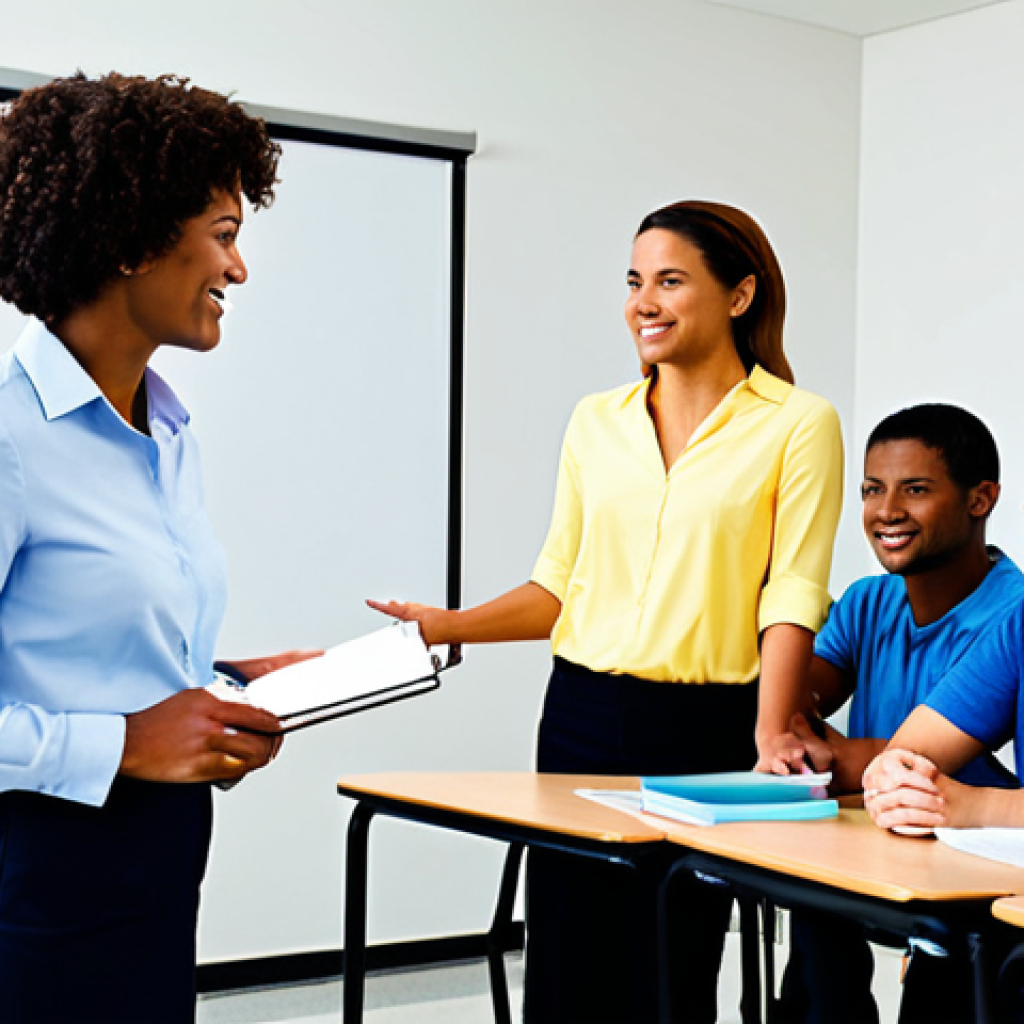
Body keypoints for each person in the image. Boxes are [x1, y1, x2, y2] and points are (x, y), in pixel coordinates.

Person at [368, 200, 843, 1023]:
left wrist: (771, 731)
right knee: (564, 962)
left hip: (708, 728)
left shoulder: (799, 425)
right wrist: (444, 625)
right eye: (633, 282)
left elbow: (792, 593)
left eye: (669, 281)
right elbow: (558, 588)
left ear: (739, 295)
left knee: (671, 967)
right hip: (581, 715)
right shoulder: (597, 422)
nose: (642, 302)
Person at [0, 73, 312, 1023]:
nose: (239, 268)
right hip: (35, 879)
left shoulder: (166, 430)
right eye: (224, 234)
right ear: (134, 241)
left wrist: (221, 684)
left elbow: (78, 647)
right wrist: (125, 742)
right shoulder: (11, 436)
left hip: (156, 859)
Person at [766, 403, 1024, 1024]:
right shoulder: (867, 602)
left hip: (971, 873)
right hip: (877, 840)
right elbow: (789, 711)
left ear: (980, 499)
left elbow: (900, 769)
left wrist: (829, 750)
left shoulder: (1009, 614)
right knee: (809, 898)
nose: (886, 512)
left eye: (915, 490)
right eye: (872, 491)